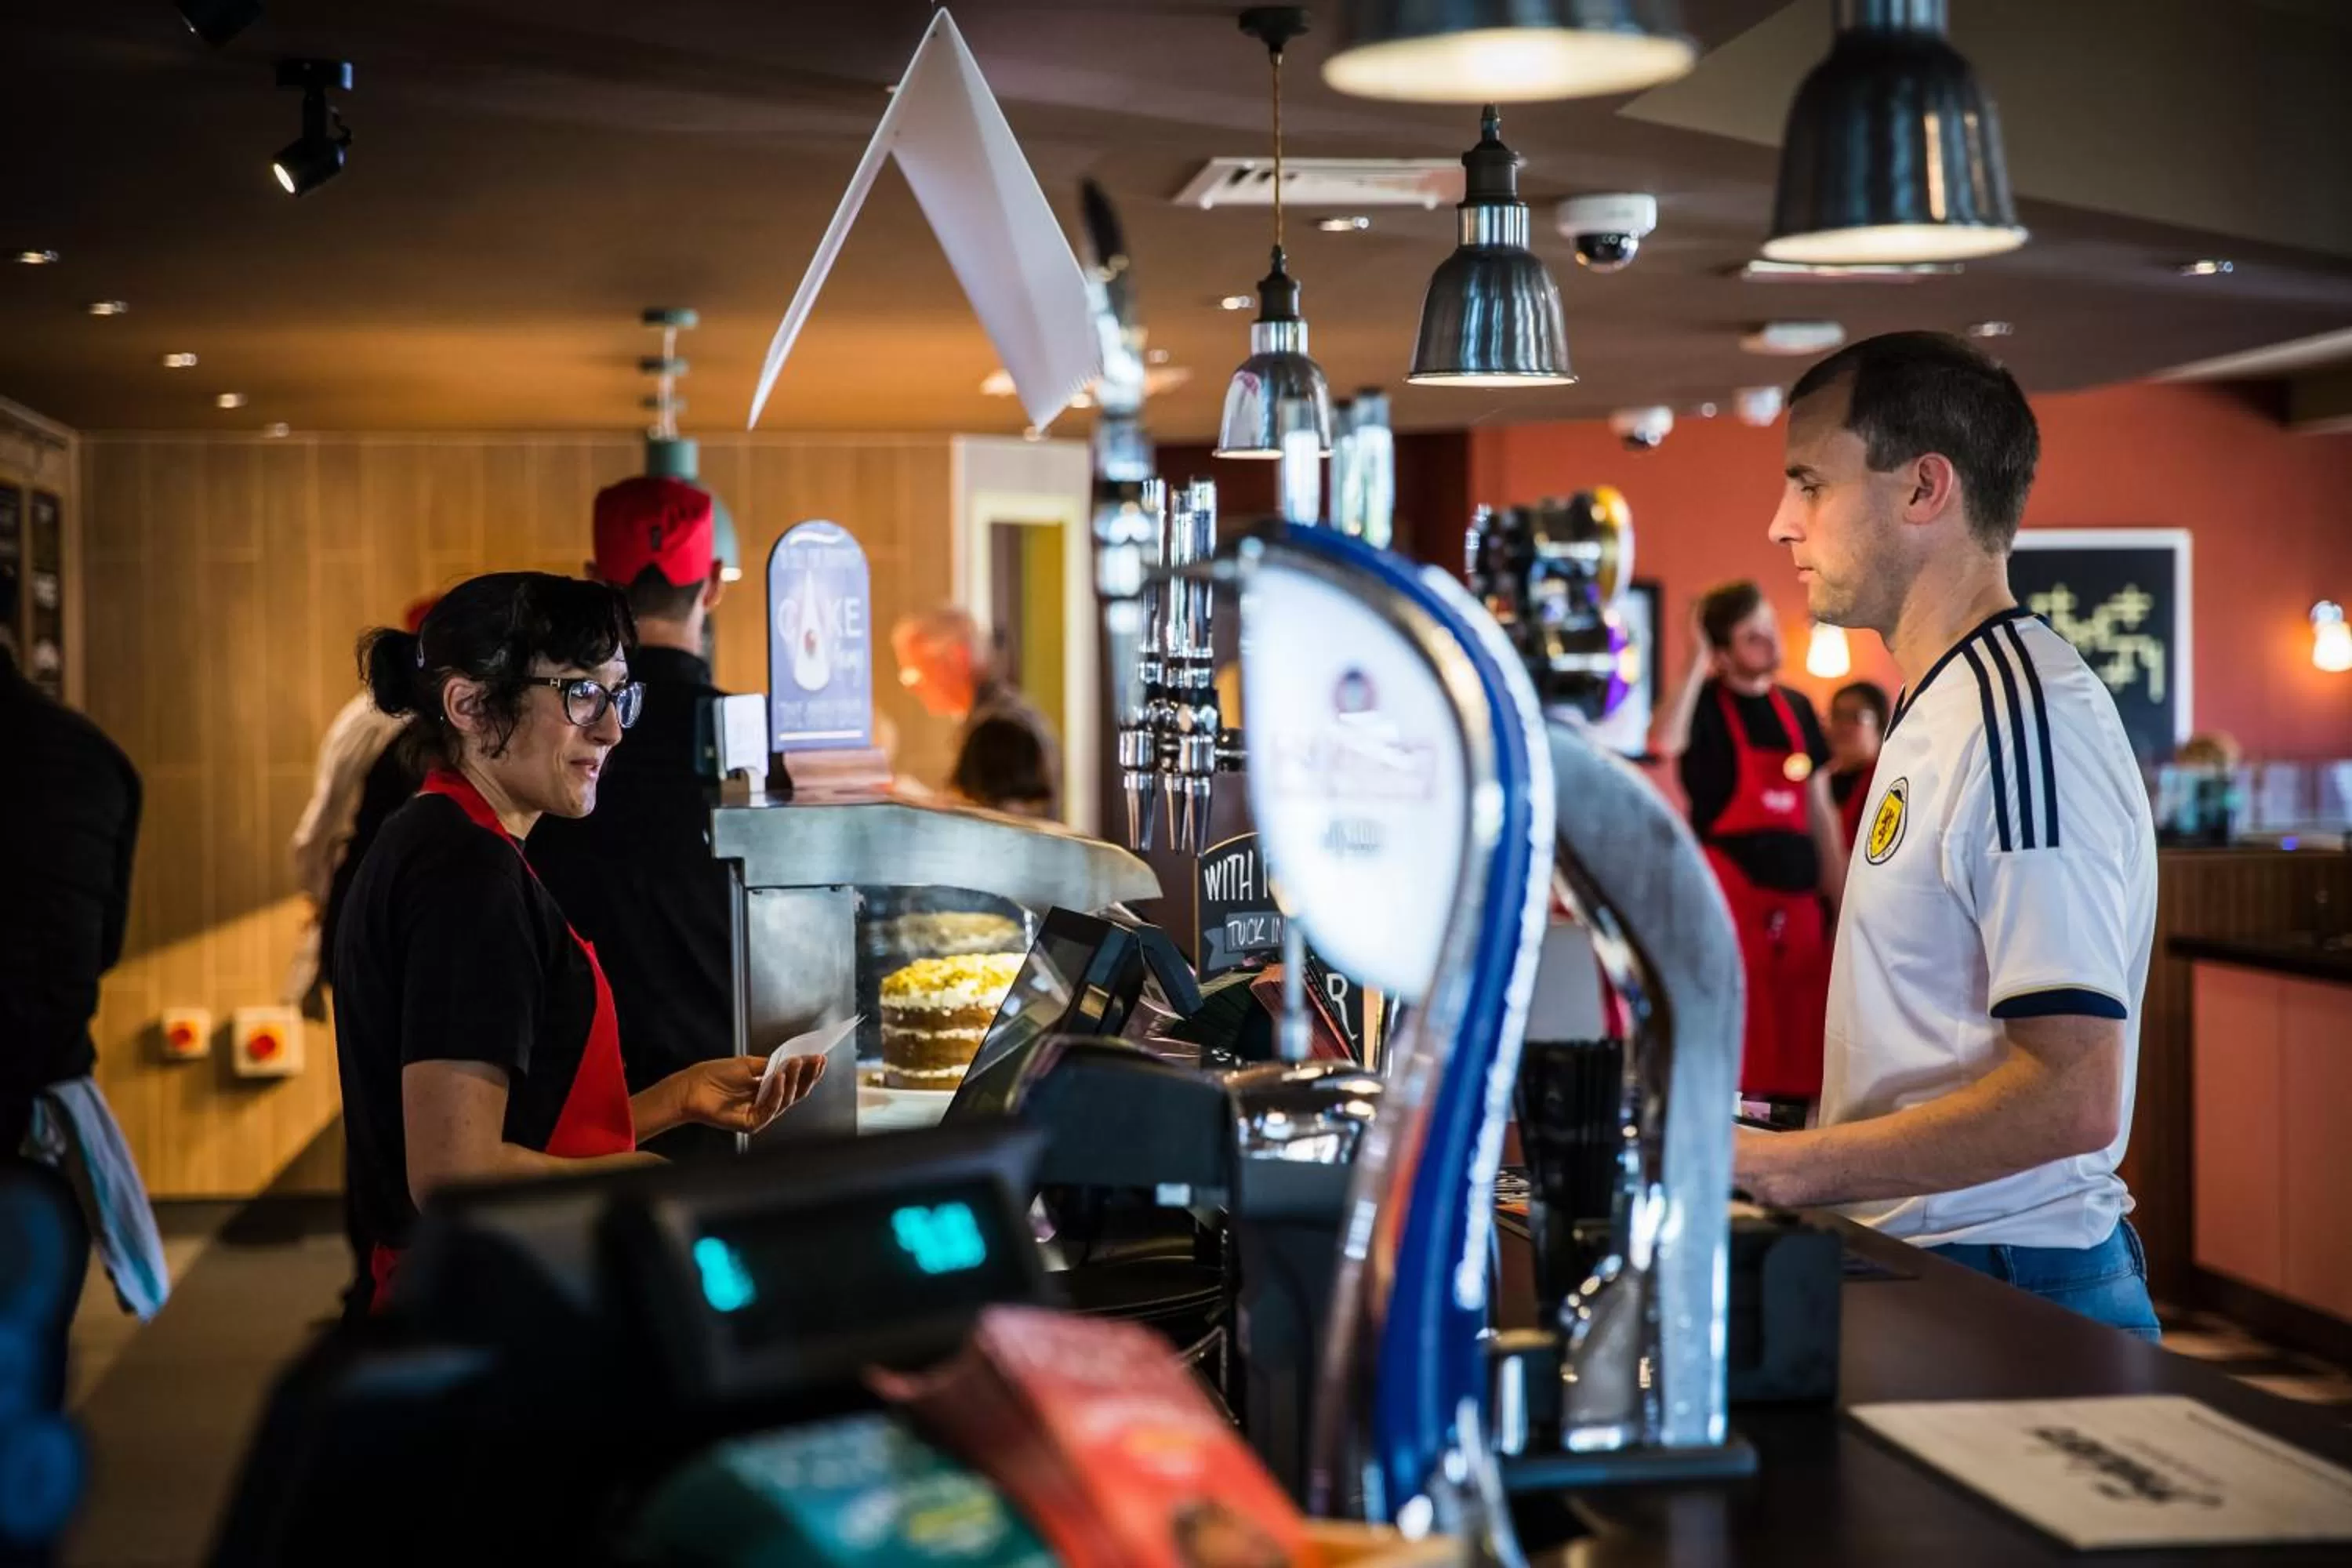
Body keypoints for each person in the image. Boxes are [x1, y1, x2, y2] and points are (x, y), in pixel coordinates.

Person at [1736, 331, 2161, 1341]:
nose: (1781, 523)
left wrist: (1774, 1164)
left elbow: (2073, 1092)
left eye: (1810, 484)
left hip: (2009, 1277)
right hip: (1937, 1257)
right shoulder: (1947, 703)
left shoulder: (2025, 718)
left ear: (1925, 489)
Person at [331, 572, 824, 1316]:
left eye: (618, 694)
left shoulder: (449, 839)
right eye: (580, 694)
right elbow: (452, 1171)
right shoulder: (466, 876)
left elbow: (513, 1128)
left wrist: (675, 1099)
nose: (611, 730)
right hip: (482, 1305)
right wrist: (648, 1179)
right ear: (469, 705)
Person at [532, 477, 738, 1161]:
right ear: (712, 584)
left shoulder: (553, 735)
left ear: (596, 581)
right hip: (733, 1090)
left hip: (575, 1101)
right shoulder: (749, 740)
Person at [1653, 580, 1846, 1116]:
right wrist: (1695, 659)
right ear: (1722, 652)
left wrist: (1844, 897)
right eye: (1751, 636)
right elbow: (1661, 743)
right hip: (1731, 898)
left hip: (1801, 904)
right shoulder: (1706, 706)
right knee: (1738, 1034)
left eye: (1768, 628)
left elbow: (1821, 812)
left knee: (1803, 1045)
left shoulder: (1798, 709)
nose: (1769, 642)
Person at [287, 595, 437, 1012]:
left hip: (371, 908)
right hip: (384, 915)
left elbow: (321, 827)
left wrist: (317, 891)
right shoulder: (376, 719)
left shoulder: (366, 717)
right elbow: (324, 826)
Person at [891, 606, 1063, 818]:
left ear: (958, 657)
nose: (912, 687)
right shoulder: (996, 718)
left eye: (915, 673)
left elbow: (998, 828)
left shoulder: (999, 731)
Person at [1825, 680, 1890, 851]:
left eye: (1856, 716)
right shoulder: (1822, 782)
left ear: (1881, 725)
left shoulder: (1886, 784)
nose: (1843, 726)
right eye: (1837, 715)